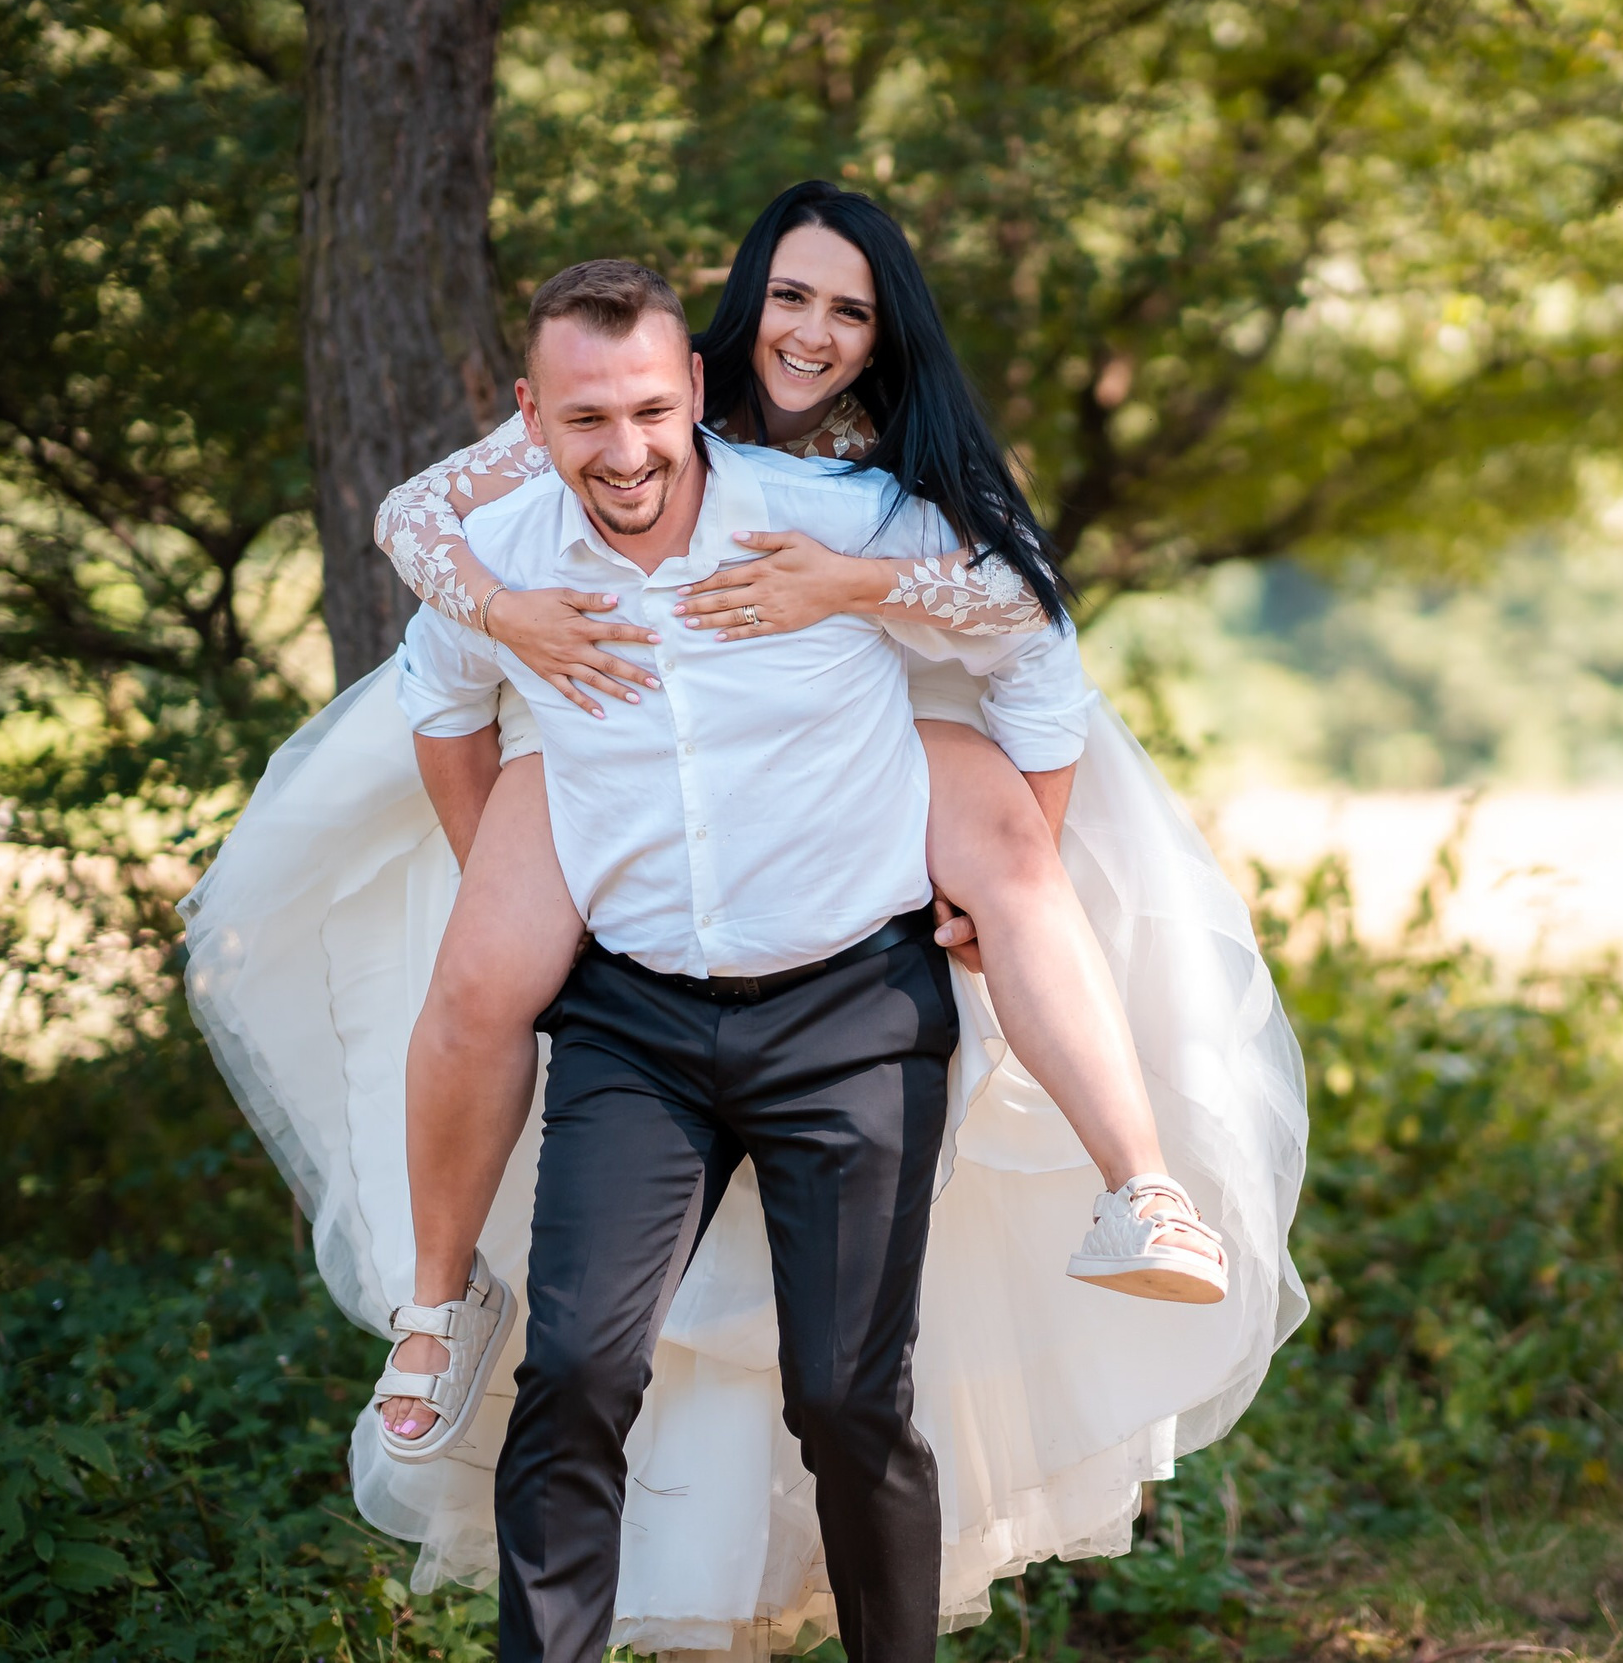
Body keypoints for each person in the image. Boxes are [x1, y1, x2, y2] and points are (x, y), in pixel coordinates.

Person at [181, 242, 1307, 1655]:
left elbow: (1027, 632)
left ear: (694, 392)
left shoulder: (833, 516)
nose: (625, 447)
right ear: (532, 420)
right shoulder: (508, 557)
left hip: (851, 1016)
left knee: (848, 1398)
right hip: (634, 1029)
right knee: (577, 1372)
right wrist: (510, 873)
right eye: (586, 419)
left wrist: (1001, 811)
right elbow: (443, 698)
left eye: (650, 410)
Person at [370, 183, 1225, 1464]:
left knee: (1008, 858)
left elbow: (1024, 614)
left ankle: (1142, 1189)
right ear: (742, 301)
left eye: (849, 310)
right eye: (788, 296)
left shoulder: (895, 449)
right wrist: (506, 614)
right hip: (614, 720)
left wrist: (855, 587)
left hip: (859, 732)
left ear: (887, 335)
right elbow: (409, 518)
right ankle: (438, 1303)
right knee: (481, 973)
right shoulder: (648, 386)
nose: (812, 334)